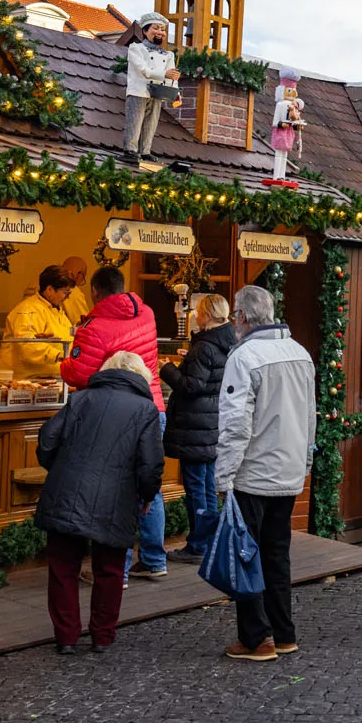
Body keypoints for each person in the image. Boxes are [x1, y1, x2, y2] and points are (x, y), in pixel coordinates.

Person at [36, 352, 164, 653]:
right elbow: (150, 464)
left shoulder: (81, 399)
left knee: (63, 568)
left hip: (67, 491)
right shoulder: (145, 408)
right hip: (116, 498)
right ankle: (102, 636)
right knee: (110, 569)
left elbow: (46, 442)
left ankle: (66, 637)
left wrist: (61, 470)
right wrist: (147, 495)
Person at [216, 286, 317, 660]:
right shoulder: (299, 352)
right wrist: (304, 463)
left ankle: (257, 638)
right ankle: (284, 632)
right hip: (287, 471)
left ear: (241, 317)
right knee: (277, 554)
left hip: (253, 474)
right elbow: (310, 417)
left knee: (246, 556)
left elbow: (235, 425)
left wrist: (223, 477)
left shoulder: (244, 357)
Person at [61, 266, 166, 581]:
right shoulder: (146, 313)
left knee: (115, 489)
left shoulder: (94, 326)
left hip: (115, 414)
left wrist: (64, 363)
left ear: (95, 291)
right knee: (150, 488)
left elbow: (80, 373)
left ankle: (114, 571)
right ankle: (153, 560)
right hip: (153, 406)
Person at [158, 293, 236, 563]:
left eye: (198, 312)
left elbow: (192, 386)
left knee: (195, 487)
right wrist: (190, 357)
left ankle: (198, 544)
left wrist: (167, 369)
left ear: (207, 315)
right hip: (213, 423)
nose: (195, 316)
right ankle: (209, 540)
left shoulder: (204, 347)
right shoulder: (228, 341)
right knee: (206, 485)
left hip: (195, 425)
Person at [0, 265, 77, 380]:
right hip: (22, 382)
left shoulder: (57, 311)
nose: (68, 297)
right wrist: (59, 355)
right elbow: (26, 346)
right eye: (65, 293)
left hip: (47, 380)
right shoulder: (28, 310)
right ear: (49, 290)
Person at [124, 12, 181, 164]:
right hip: (139, 90)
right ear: (145, 31)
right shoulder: (136, 49)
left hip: (158, 92)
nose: (160, 32)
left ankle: (145, 150)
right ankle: (130, 149)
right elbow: (144, 70)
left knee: (152, 122)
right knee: (135, 120)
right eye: (156, 28)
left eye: (162, 29)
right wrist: (165, 74)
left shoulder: (168, 55)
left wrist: (175, 91)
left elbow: (172, 74)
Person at [60, 256, 92, 328]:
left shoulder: (51, 287)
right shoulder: (73, 291)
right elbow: (83, 324)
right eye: (83, 277)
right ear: (79, 274)